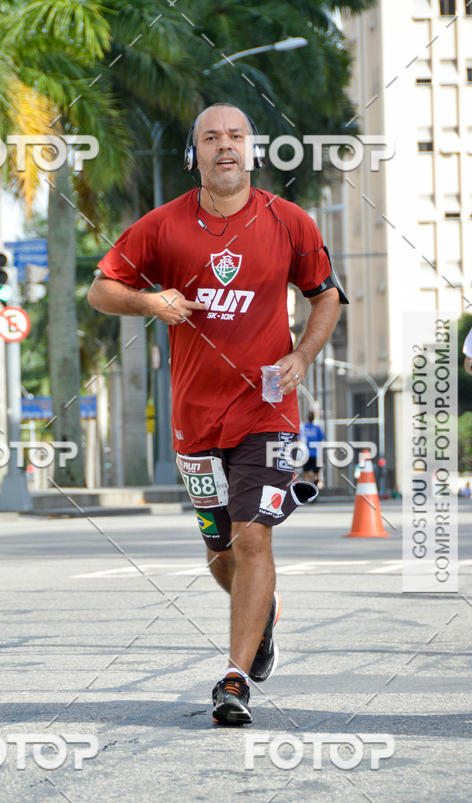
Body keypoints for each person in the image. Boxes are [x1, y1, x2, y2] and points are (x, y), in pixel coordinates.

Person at [88, 103, 347, 725]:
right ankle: (266, 612)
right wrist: (150, 302)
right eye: (211, 138)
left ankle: (233, 678)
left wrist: (303, 356)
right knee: (219, 552)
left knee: (253, 533)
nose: (224, 146)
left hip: (269, 409)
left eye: (235, 136)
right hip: (194, 419)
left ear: (253, 150)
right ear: (195, 153)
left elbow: (326, 296)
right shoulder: (162, 226)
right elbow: (101, 289)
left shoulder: (291, 223)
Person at [300, 411, 325, 487]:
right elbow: (321, 440)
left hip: (306, 454)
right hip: (316, 454)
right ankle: (315, 488)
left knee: (306, 473)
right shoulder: (318, 428)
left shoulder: (304, 427)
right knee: (316, 474)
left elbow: (299, 439)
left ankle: (307, 489)